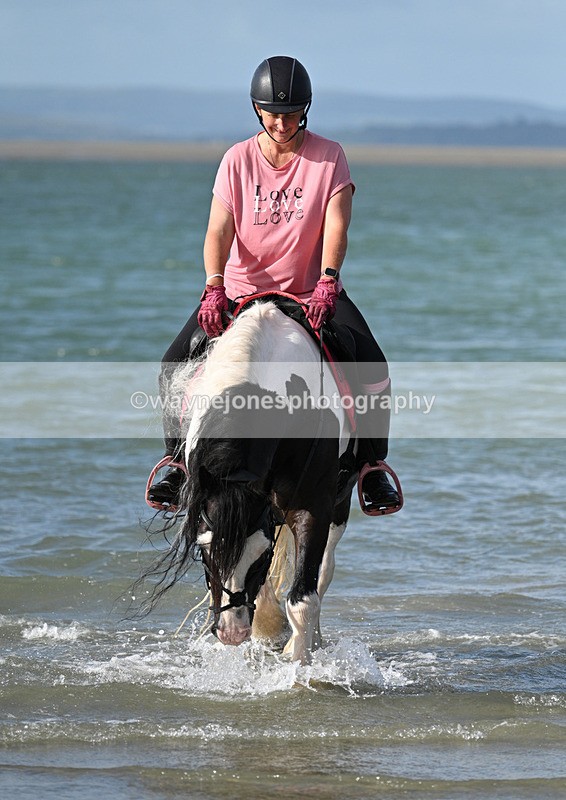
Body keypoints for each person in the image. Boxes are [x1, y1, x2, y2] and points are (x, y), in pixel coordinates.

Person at [148, 56, 400, 512]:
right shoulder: (237, 159)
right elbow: (217, 232)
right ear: (256, 110)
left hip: (308, 291)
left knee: (373, 365)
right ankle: (175, 462)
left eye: (290, 113)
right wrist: (213, 286)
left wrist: (328, 282)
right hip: (242, 291)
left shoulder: (329, 157)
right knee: (171, 364)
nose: (281, 123)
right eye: (272, 113)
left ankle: (371, 467)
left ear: (306, 109)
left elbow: (337, 227)